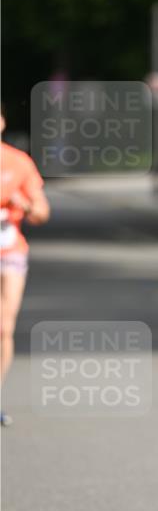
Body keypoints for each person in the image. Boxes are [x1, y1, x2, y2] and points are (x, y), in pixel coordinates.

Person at [0, 105, 50, 425]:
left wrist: (26, 205)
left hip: (9, 251)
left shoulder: (18, 162)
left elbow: (42, 213)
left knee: (3, 327)